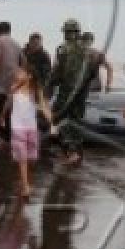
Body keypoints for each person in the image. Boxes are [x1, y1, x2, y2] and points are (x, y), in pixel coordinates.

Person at [46, 19, 93, 166]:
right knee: (77, 120)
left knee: (58, 119)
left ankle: (71, 153)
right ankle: (77, 153)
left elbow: (57, 73)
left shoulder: (63, 49)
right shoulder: (88, 50)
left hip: (67, 92)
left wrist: (48, 89)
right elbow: (91, 73)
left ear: (66, 33)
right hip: (82, 93)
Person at [1, 67, 52, 198]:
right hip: (17, 127)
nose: (17, 74)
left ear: (29, 76)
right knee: (22, 158)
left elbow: (44, 106)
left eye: (21, 73)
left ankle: (25, 181)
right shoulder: (14, 88)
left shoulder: (36, 91)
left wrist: (51, 121)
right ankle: (25, 186)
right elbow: (8, 102)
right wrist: (2, 115)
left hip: (31, 127)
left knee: (31, 158)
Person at [0, 21, 23, 134]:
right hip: (16, 81)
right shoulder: (16, 43)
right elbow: (23, 62)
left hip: (3, 81)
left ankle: (3, 135)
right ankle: (11, 133)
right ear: (9, 30)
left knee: (2, 107)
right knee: (12, 109)